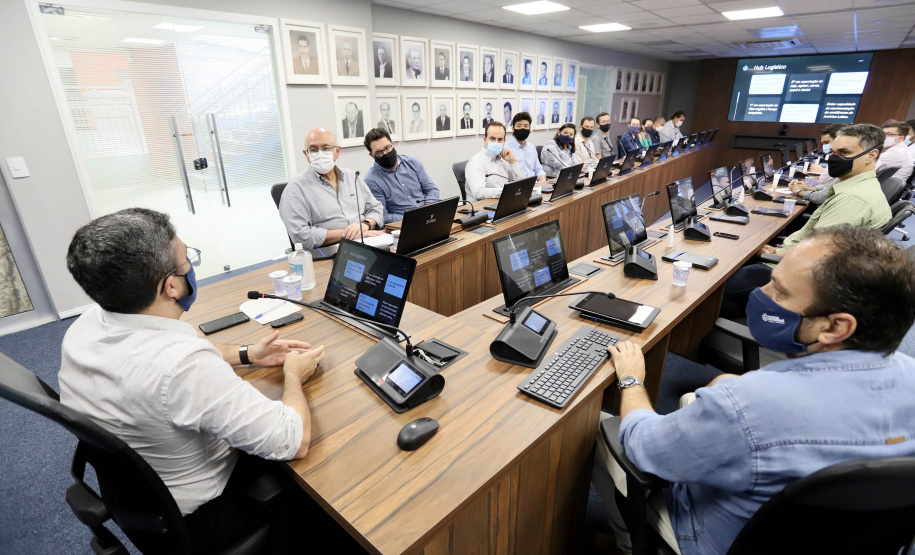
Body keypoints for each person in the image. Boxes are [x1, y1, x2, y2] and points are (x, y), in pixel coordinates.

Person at [597, 224, 915, 555]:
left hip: (713, 540)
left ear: (835, 327)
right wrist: (734, 397)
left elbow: (642, 446)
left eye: (780, 290)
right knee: (704, 396)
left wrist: (632, 379)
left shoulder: (746, 407)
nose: (761, 293)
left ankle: (630, 543)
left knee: (603, 429)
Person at [60, 207, 326, 551]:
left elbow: (178, 346)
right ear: (171, 285)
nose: (191, 269)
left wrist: (247, 354)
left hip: (139, 498)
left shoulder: (89, 322)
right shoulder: (184, 367)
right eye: (187, 262)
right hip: (204, 518)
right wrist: (293, 377)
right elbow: (294, 439)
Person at [721, 123, 893, 318]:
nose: (834, 158)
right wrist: (780, 250)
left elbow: (815, 256)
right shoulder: (858, 187)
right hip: (797, 262)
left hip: (794, 275)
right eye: (834, 152)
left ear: (872, 155)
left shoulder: (853, 199)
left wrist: (775, 254)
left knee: (713, 288)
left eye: (844, 152)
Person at [279, 128, 383, 249]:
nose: (320, 153)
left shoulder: (352, 176)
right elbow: (300, 236)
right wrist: (349, 234)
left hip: (368, 241)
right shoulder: (295, 189)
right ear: (306, 155)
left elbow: (376, 208)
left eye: (326, 148)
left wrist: (365, 224)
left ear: (337, 151)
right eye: (313, 149)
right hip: (331, 251)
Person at [363, 128, 440, 223]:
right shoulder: (371, 180)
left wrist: (427, 208)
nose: (385, 153)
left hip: (429, 217)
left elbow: (432, 189)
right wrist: (413, 217)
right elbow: (382, 216)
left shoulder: (412, 162)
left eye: (387, 147)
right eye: (379, 153)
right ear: (372, 155)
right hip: (403, 225)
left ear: (393, 144)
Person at [464, 121, 524, 201]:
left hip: (502, 203)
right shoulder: (476, 162)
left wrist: (513, 162)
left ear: (504, 141)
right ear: (485, 139)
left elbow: (522, 185)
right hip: (481, 209)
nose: (496, 142)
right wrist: (506, 192)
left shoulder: (504, 159)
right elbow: (479, 193)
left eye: (500, 140)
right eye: (492, 139)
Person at [789, 123, 846, 205]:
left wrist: (798, 191)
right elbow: (830, 187)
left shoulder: (846, 164)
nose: (824, 147)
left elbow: (820, 197)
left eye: (826, 142)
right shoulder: (840, 162)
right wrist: (806, 187)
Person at [505, 112, 546, 184]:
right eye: (519, 126)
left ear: (529, 129)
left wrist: (542, 181)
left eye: (525, 126)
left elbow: (539, 169)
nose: (522, 128)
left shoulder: (531, 147)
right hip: (517, 187)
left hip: (535, 186)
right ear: (513, 129)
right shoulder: (506, 148)